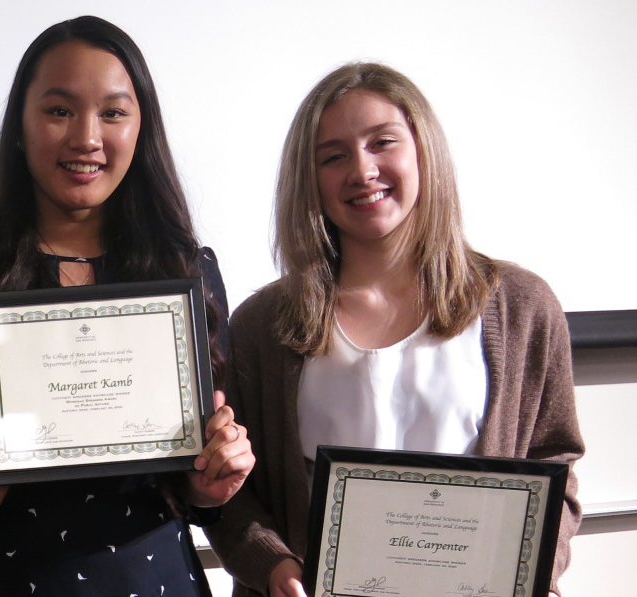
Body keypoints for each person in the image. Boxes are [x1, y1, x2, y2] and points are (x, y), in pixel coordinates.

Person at [0, 16, 253, 597]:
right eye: (59, 110)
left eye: (112, 113)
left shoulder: (187, 274)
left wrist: (213, 482)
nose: (86, 137)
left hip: (157, 580)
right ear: (19, 126)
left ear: (141, 130)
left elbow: (198, 483)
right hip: (6, 581)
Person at [203, 62, 583, 597]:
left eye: (383, 142)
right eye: (333, 156)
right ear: (309, 178)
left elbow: (555, 471)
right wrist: (273, 568)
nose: (362, 171)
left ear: (424, 150)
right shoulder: (263, 326)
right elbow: (231, 496)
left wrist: (531, 569)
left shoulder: (522, 307)